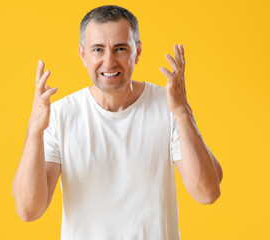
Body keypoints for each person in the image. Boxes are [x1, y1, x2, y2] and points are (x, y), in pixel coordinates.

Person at [12, 5, 223, 240]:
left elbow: (207, 192)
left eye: (120, 48)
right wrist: (34, 131)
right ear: (83, 54)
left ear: (138, 51)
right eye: (98, 49)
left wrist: (183, 112)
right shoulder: (59, 114)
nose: (109, 61)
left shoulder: (168, 106)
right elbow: (28, 209)